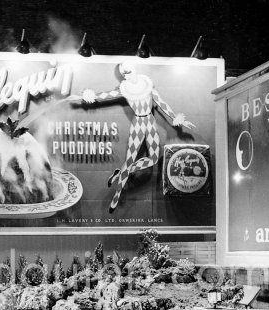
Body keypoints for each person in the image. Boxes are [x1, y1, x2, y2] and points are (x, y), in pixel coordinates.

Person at [81, 62, 195, 212]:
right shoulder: (124, 89)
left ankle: (120, 174)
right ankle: (116, 196)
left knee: (153, 159)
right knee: (129, 162)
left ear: (134, 69)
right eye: (124, 73)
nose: (127, 74)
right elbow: (107, 95)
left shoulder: (147, 85)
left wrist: (175, 118)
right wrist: (91, 95)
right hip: (138, 123)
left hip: (150, 122)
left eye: (128, 71)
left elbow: (162, 103)